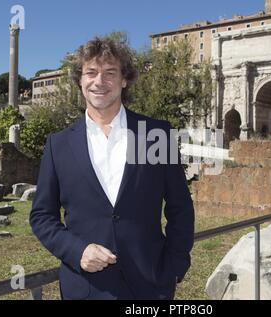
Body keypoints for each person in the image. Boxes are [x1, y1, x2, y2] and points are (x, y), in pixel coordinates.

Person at [29, 36, 195, 300]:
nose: (99, 81)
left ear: (124, 79)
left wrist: (175, 265)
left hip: (150, 286)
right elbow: (42, 216)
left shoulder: (154, 135)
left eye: (110, 73)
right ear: (80, 80)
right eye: (91, 73)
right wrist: (77, 250)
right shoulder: (58, 145)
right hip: (85, 288)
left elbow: (180, 207)